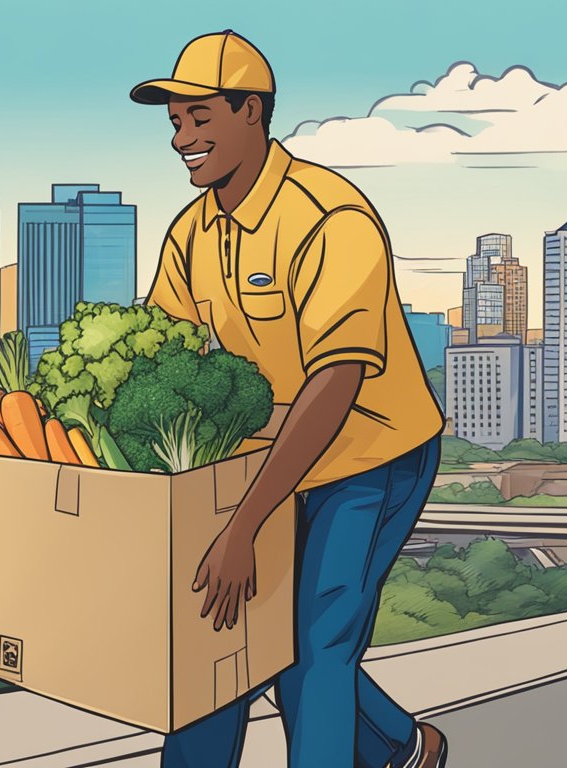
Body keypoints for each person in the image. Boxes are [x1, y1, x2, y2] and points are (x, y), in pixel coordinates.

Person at [131, 30, 449, 768]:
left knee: (311, 655)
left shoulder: (331, 218)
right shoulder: (191, 232)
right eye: (175, 122)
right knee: (221, 645)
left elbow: (335, 384)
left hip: (368, 454)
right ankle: (405, 747)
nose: (183, 138)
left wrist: (244, 526)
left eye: (200, 117)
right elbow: (163, 360)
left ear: (253, 112)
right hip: (262, 456)